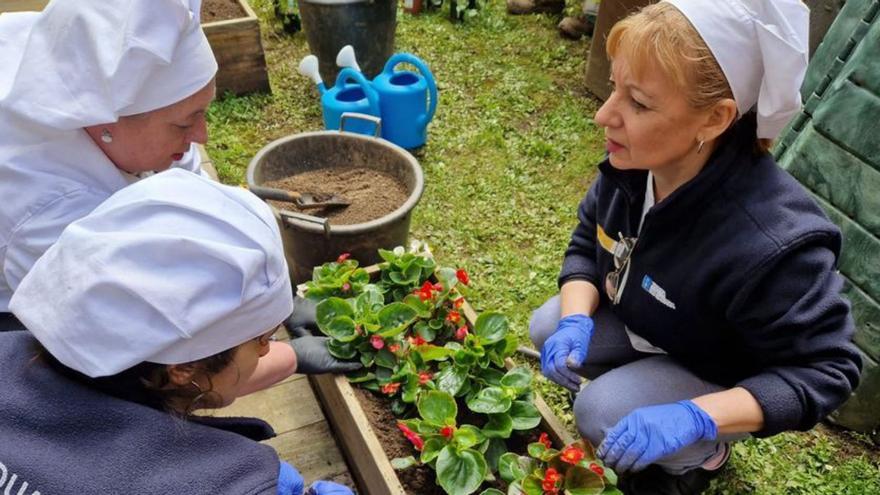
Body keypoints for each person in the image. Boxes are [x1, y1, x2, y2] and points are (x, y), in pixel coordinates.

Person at [530, 1, 862, 493]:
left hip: (713, 366)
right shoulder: (634, 166)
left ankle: (701, 457)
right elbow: (588, 240)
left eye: (638, 103)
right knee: (549, 323)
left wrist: (696, 417)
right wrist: (578, 318)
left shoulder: (773, 243)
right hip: (657, 325)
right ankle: (642, 378)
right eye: (615, 88)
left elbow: (829, 370)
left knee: (600, 410)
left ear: (715, 118)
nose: (604, 115)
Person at [1, 169, 353, 495]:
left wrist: (291, 356)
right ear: (183, 369)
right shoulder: (226, 482)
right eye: (262, 339)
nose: (265, 350)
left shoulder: (9, 351)